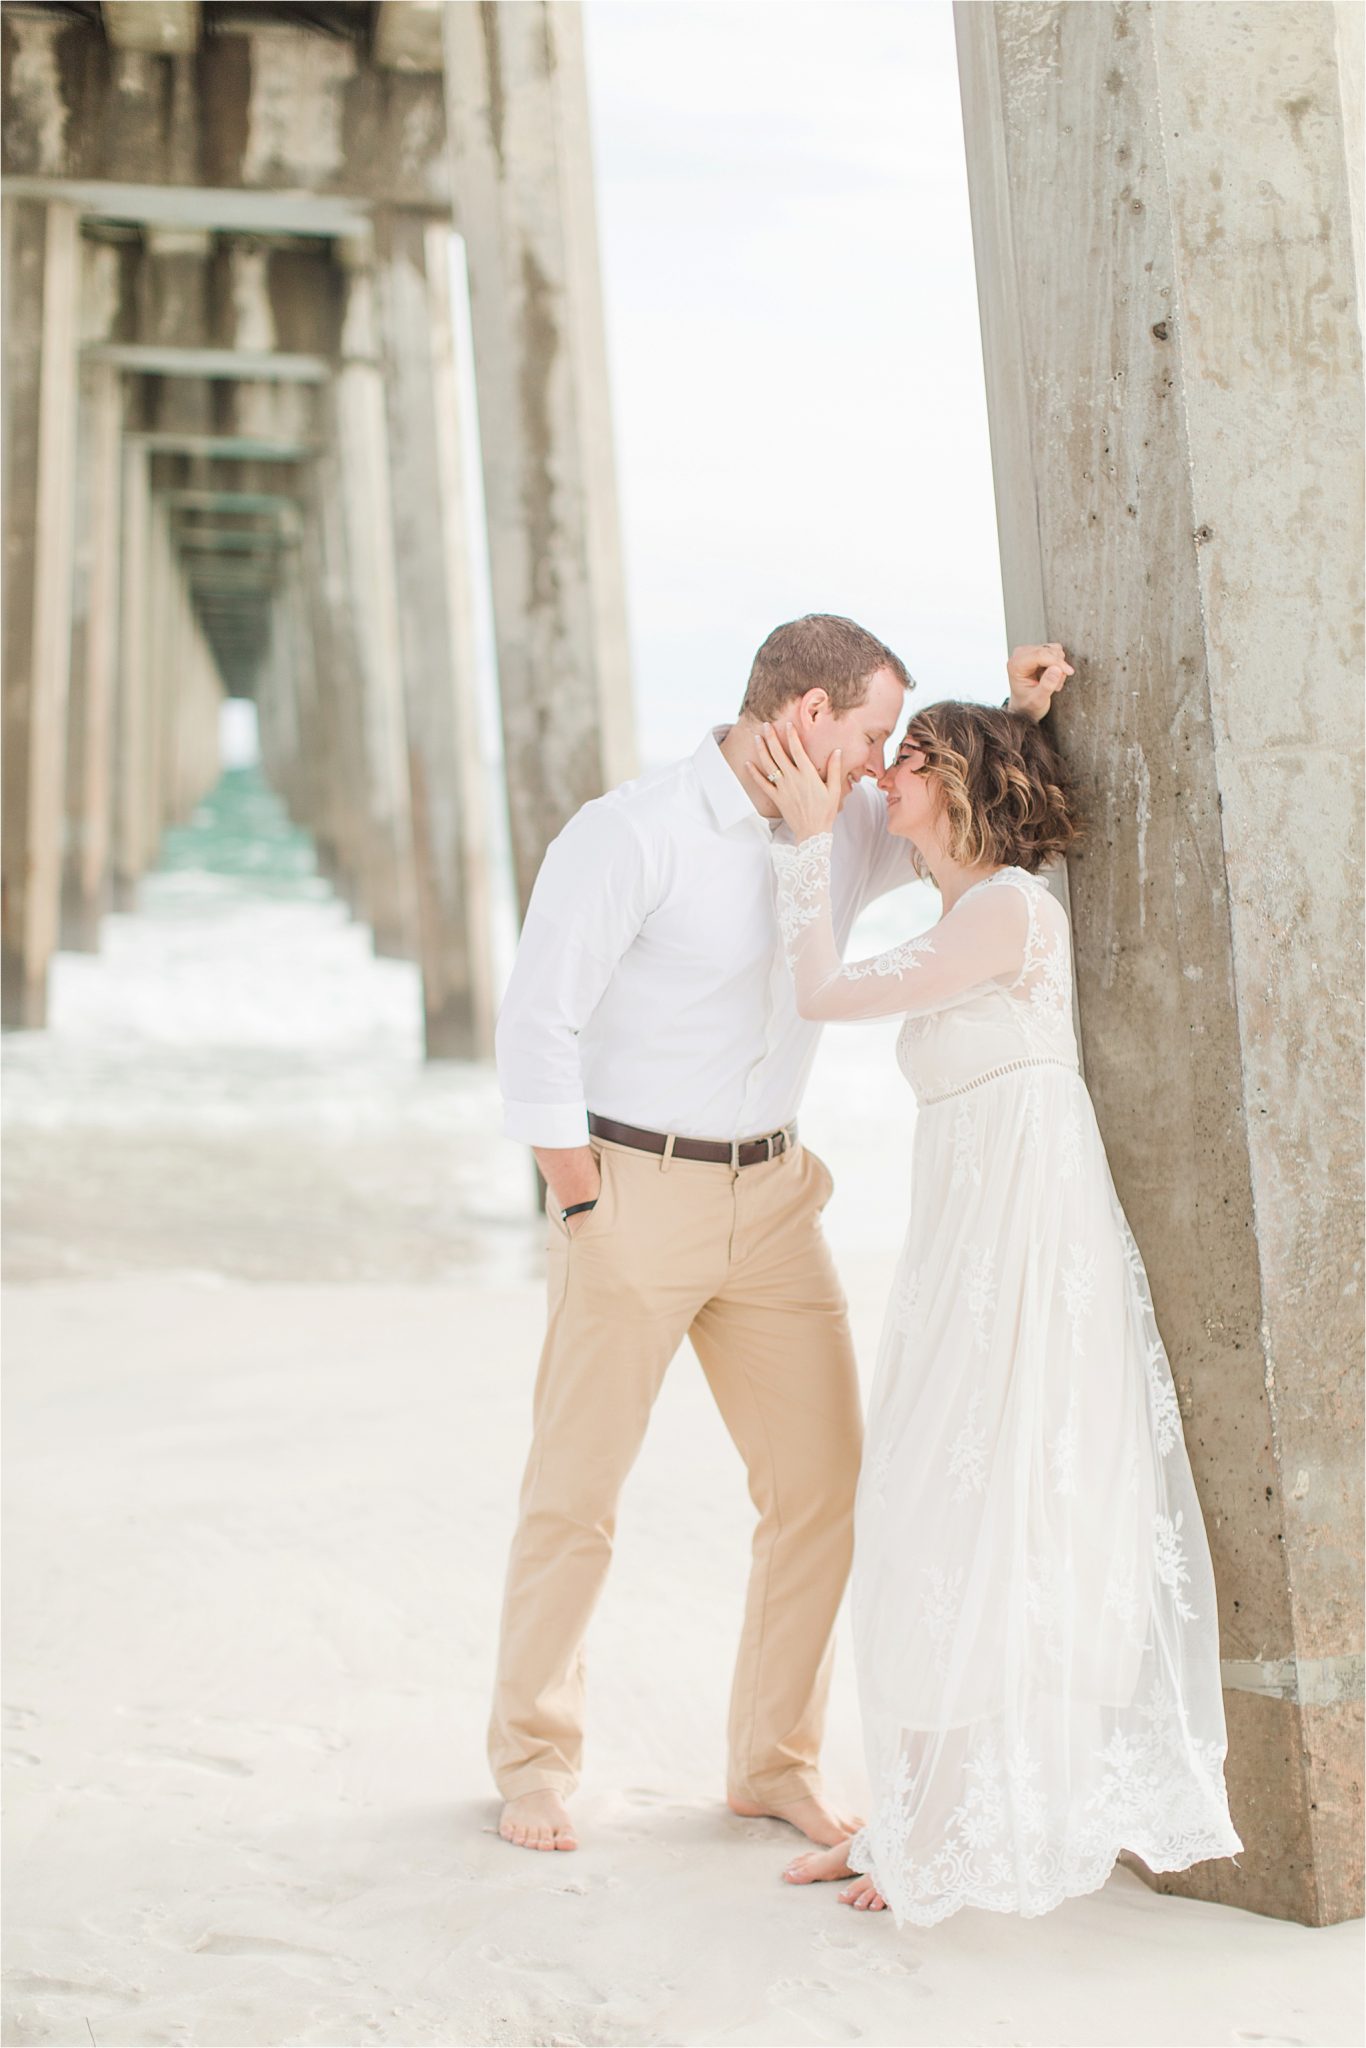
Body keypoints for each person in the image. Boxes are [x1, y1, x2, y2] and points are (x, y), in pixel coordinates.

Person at [489, 615, 1073, 1854]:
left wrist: (1021, 721)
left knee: (820, 1487)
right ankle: (534, 1760)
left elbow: (962, 828)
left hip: (777, 1198)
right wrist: (582, 1198)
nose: (878, 764)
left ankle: (771, 1762)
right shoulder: (630, 833)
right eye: (868, 733)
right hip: (634, 1189)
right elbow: (537, 1021)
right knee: (578, 1491)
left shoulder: (853, 826)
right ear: (807, 716)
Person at [753, 702, 1242, 1922]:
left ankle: (941, 1829)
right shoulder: (967, 911)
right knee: (927, 1508)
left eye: (907, 759)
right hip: (964, 1235)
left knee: (975, 1508)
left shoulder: (1011, 909)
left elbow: (818, 987)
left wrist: (805, 845)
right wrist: (1017, 705)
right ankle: (913, 1819)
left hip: (1020, 1237)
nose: (884, 776)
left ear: (960, 781)